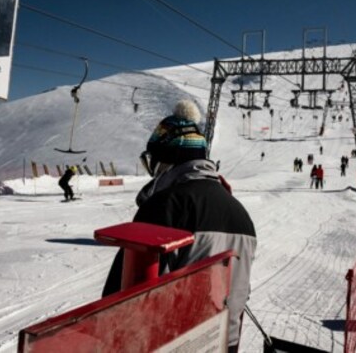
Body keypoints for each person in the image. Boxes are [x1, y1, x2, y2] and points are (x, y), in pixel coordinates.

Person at [103, 100, 256, 351]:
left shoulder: (165, 205)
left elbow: (124, 296)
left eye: (153, 160)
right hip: (223, 343)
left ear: (168, 160)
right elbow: (239, 291)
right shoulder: (240, 213)